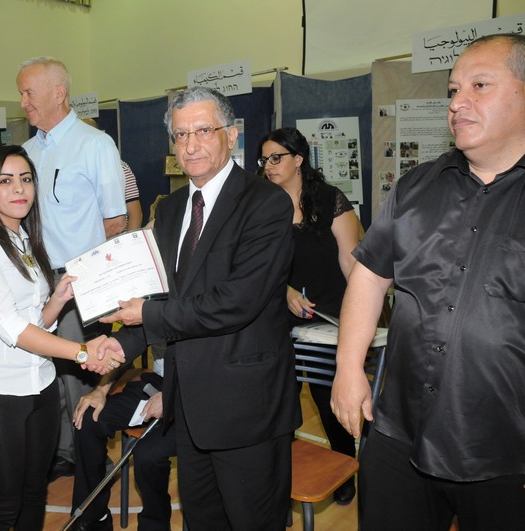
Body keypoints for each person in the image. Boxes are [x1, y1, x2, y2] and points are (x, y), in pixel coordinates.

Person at [331, 34, 525, 530]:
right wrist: (348, 367)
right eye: (453, 90)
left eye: (480, 86)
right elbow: (369, 279)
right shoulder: (416, 188)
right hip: (400, 430)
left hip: (506, 450)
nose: (458, 102)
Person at [95, 87, 300, 529]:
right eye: (181, 135)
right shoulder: (170, 210)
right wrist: (121, 345)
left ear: (231, 135)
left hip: (247, 406)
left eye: (203, 131)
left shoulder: (266, 203)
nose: (190, 145)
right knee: (202, 521)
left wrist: (146, 316)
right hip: (188, 405)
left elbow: (237, 302)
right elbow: (160, 297)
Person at [0, 144, 124, 530]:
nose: (19, 189)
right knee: (2, 505)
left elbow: (34, 321)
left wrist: (57, 300)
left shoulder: (24, 240)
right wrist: (82, 352)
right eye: (6, 181)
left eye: (26, 179)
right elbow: (11, 328)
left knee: (34, 493)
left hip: (42, 387)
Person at [17, 57, 127, 479]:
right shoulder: (26, 153)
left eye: (29, 93)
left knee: (81, 371)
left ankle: (90, 457)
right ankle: (65, 451)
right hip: (35, 278)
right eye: (21, 94)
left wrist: (92, 278)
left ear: (58, 93)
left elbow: (116, 221)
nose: (23, 103)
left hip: (80, 279)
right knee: (48, 369)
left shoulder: (95, 144)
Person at [259, 126, 361, 504]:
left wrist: (358, 317)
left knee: (328, 399)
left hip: (327, 315)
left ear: (298, 159)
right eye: (264, 159)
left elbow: (351, 264)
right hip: (278, 314)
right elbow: (257, 266)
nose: (268, 166)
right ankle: (284, 473)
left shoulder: (330, 199)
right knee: (280, 400)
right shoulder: (262, 205)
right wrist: (284, 291)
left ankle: (343, 469)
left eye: (276, 158)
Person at [71, 347, 175, 531]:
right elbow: (126, 344)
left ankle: (155, 525)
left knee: (147, 454)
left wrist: (170, 395)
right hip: (159, 383)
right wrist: (101, 390)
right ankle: (94, 517)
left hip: (198, 390)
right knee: (88, 419)